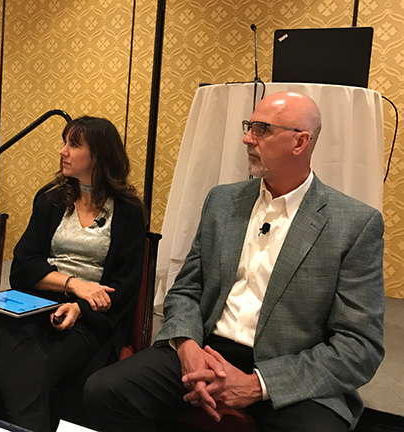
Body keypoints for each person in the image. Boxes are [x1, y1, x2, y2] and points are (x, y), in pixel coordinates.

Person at [84, 92, 385, 432]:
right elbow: (186, 289)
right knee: (103, 391)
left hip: (289, 368)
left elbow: (359, 346)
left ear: (300, 142)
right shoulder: (223, 201)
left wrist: (257, 384)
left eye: (261, 129)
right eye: (248, 126)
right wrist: (187, 347)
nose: (246, 138)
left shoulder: (353, 223)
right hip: (206, 348)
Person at [0, 116, 146, 432]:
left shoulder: (129, 212)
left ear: (99, 155)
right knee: (3, 343)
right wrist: (74, 284)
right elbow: (23, 267)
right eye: (64, 142)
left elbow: (125, 285)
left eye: (74, 144)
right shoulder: (51, 199)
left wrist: (80, 306)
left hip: (88, 316)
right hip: (34, 303)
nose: (63, 151)